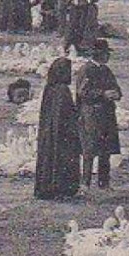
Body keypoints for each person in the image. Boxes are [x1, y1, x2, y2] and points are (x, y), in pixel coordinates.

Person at [75, 39, 122, 192]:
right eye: (106, 53)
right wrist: (103, 94)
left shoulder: (106, 70)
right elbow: (82, 93)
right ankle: (85, 182)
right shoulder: (86, 70)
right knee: (90, 149)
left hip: (107, 114)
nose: (108, 56)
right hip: (91, 114)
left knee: (106, 150)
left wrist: (116, 94)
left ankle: (104, 182)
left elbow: (117, 88)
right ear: (98, 54)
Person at [32, 56, 82, 200]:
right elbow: (66, 114)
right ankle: (62, 188)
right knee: (62, 160)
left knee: (49, 158)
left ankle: (47, 187)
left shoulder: (49, 88)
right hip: (63, 134)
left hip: (50, 132)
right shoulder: (62, 90)